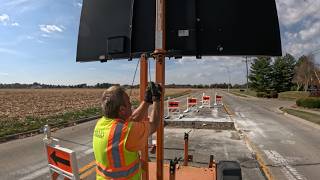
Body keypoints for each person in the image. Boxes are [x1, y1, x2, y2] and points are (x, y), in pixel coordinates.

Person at [93, 82, 162, 180]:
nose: (131, 105)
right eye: (129, 103)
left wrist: (146, 101)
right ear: (122, 110)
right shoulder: (125, 132)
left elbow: (131, 119)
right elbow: (154, 124)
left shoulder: (101, 123)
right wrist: (157, 99)